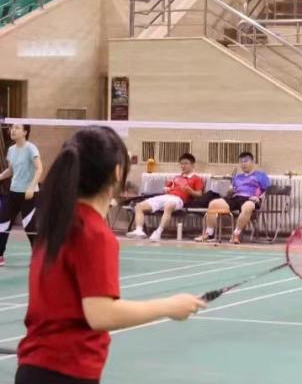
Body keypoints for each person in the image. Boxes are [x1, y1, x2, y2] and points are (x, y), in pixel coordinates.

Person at [16, 126, 204, 384]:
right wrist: (169, 306)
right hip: (67, 372)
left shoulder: (57, 220)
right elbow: (101, 314)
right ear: (117, 172)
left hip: (35, 368)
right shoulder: (93, 232)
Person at [126, 153, 204, 242]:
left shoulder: (196, 178)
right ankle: (139, 231)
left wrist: (190, 191)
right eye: (181, 164)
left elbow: (199, 194)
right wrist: (166, 189)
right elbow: (168, 187)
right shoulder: (176, 177)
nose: (183, 166)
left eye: (186, 163)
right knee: (138, 206)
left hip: (178, 199)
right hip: (166, 196)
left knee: (168, 206)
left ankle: (158, 232)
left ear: (193, 165)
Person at [195, 152, 269, 245]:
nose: (243, 164)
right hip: (236, 197)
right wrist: (230, 191)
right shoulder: (237, 177)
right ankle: (209, 233)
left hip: (251, 199)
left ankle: (236, 234)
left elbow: (265, 190)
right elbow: (231, 192)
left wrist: (258, 197)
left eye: (246, 161)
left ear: (252, 162)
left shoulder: (260, 175)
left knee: (248, 206)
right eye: (241, 162)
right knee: (213, 203)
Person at [0, 123, 44, 266]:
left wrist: (31, 187)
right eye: (12, 128)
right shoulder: (11, 150)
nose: (12, 130)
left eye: (17, 128)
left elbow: (39, 169)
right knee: (3, 223)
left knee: (30, 226)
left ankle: (38, 256)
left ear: (25, 132)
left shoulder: (31, 148)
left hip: (29, 194)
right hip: (13, 193)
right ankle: (0, 255)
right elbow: (11, 170)